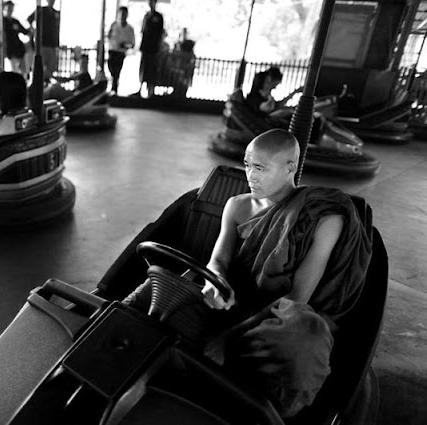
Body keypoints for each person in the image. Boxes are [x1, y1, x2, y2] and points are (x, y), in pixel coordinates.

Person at [123, 129, 372, 418]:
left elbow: (298, 298)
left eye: (260, 168)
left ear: (290, 168)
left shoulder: (324, 216)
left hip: (277, 319)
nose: (250, 176)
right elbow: (218, 259)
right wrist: (215, 283)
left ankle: (260, 411)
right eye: (247, 165)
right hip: (230, 305)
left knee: (305, 333)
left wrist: (228, 338)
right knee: (157, 287)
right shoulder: (237, 205)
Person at [0, 1, 31, 78]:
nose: (10, 10)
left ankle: (24, 80)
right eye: (8, 8)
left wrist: (31, 30)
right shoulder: (1, 22)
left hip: (19, 48)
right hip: (9, 49)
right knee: (14, 69)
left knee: (24, 70)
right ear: (5, 9)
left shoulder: (15, 21)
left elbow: (25, 31)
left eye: (11, 8)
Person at [135, 0, 164, 98]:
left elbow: (160, 32)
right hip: (145, 46)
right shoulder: (146, 16)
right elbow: (143, 31)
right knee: (144, 67)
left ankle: (151, 91)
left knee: (152, 68)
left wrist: (159, 45)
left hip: (154, 47)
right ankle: (140, 89)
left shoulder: (159, 17)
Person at [27, 0, 61, 83]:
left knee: (51, 67)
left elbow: (57, 28)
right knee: (40, 66)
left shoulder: (56, 13)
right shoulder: (41, 10)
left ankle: (46, 82)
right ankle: (38, 82)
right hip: (42, 43)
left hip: (52, 44)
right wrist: (34, 30)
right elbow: (29, 19)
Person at [107, 6, 135, 95]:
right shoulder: (114, 25)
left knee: (117, 70)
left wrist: (125, 45)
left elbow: (132, 43)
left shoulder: (130, 29)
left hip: (121, 52)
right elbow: (108, 36)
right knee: (111, 67)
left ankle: (114, 88)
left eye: (124, 14)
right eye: (121, 13)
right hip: (112, 50)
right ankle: (114, 84)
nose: (122, 16)